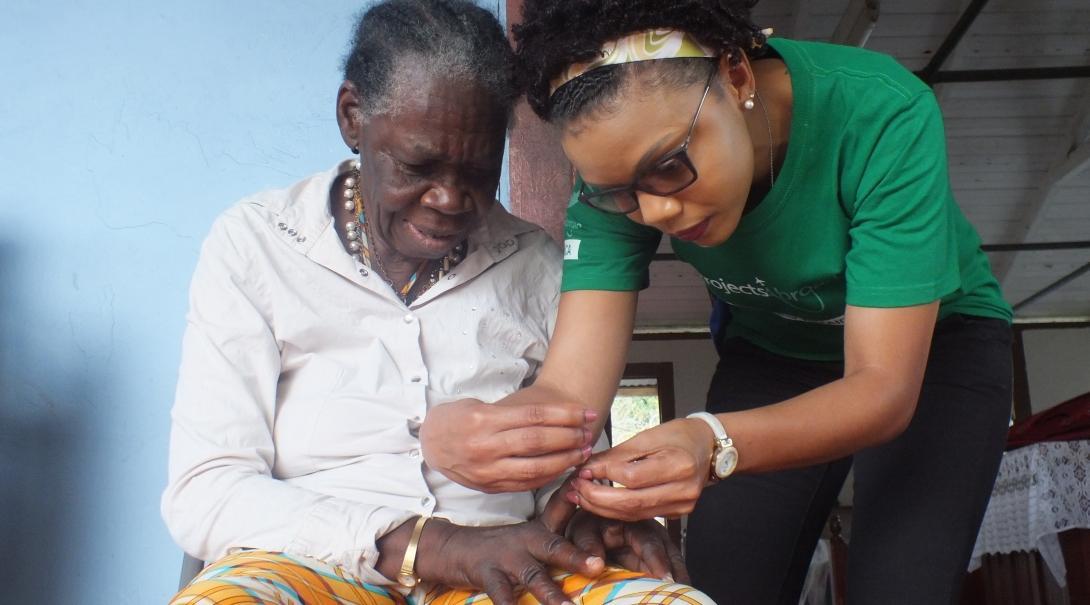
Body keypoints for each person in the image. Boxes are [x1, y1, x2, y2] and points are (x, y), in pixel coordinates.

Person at [419, 1, 1015, 603]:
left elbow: (882, 389)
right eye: (618, 193)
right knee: (724, 585)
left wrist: (712, 442)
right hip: (776, 349)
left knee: (901, 587)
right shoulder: (615, 185)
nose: (656, 214)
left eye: (670, 167)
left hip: (939, 348)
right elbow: (569, 395)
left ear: (736, 75)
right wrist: (459, 431)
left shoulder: (881, 111)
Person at [161, 2, 715, 604]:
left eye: (478, 171)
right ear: (353, 117)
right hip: (307, 566)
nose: (449, 199)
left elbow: (569, 455)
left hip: (505, 565)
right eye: (417, 166)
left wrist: (588, 511)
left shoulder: (536, 267)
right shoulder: (258, 246)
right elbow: (207, 488)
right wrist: (432, 546)